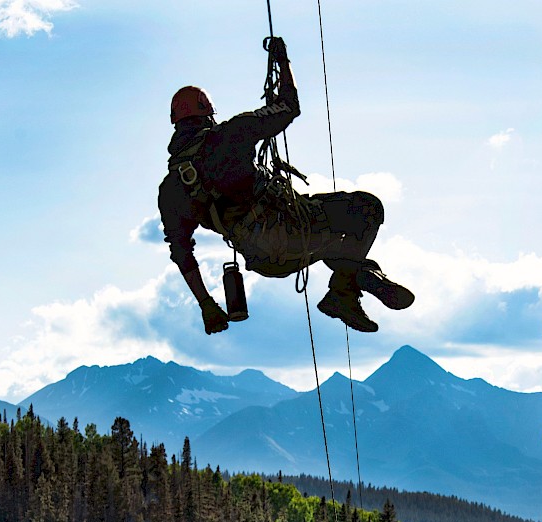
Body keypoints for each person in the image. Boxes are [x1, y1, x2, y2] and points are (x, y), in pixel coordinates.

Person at [158, 36, 414, 335]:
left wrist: (207, 305)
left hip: (265, 261)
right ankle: (346, 289)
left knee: (336, 243)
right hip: (293, 230)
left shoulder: (170, 189)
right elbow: (289, 106)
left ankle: (361, 277)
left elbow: (182, 252)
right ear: (207, 113)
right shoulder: (230, 135)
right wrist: (283, 61)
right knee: (366, 209)